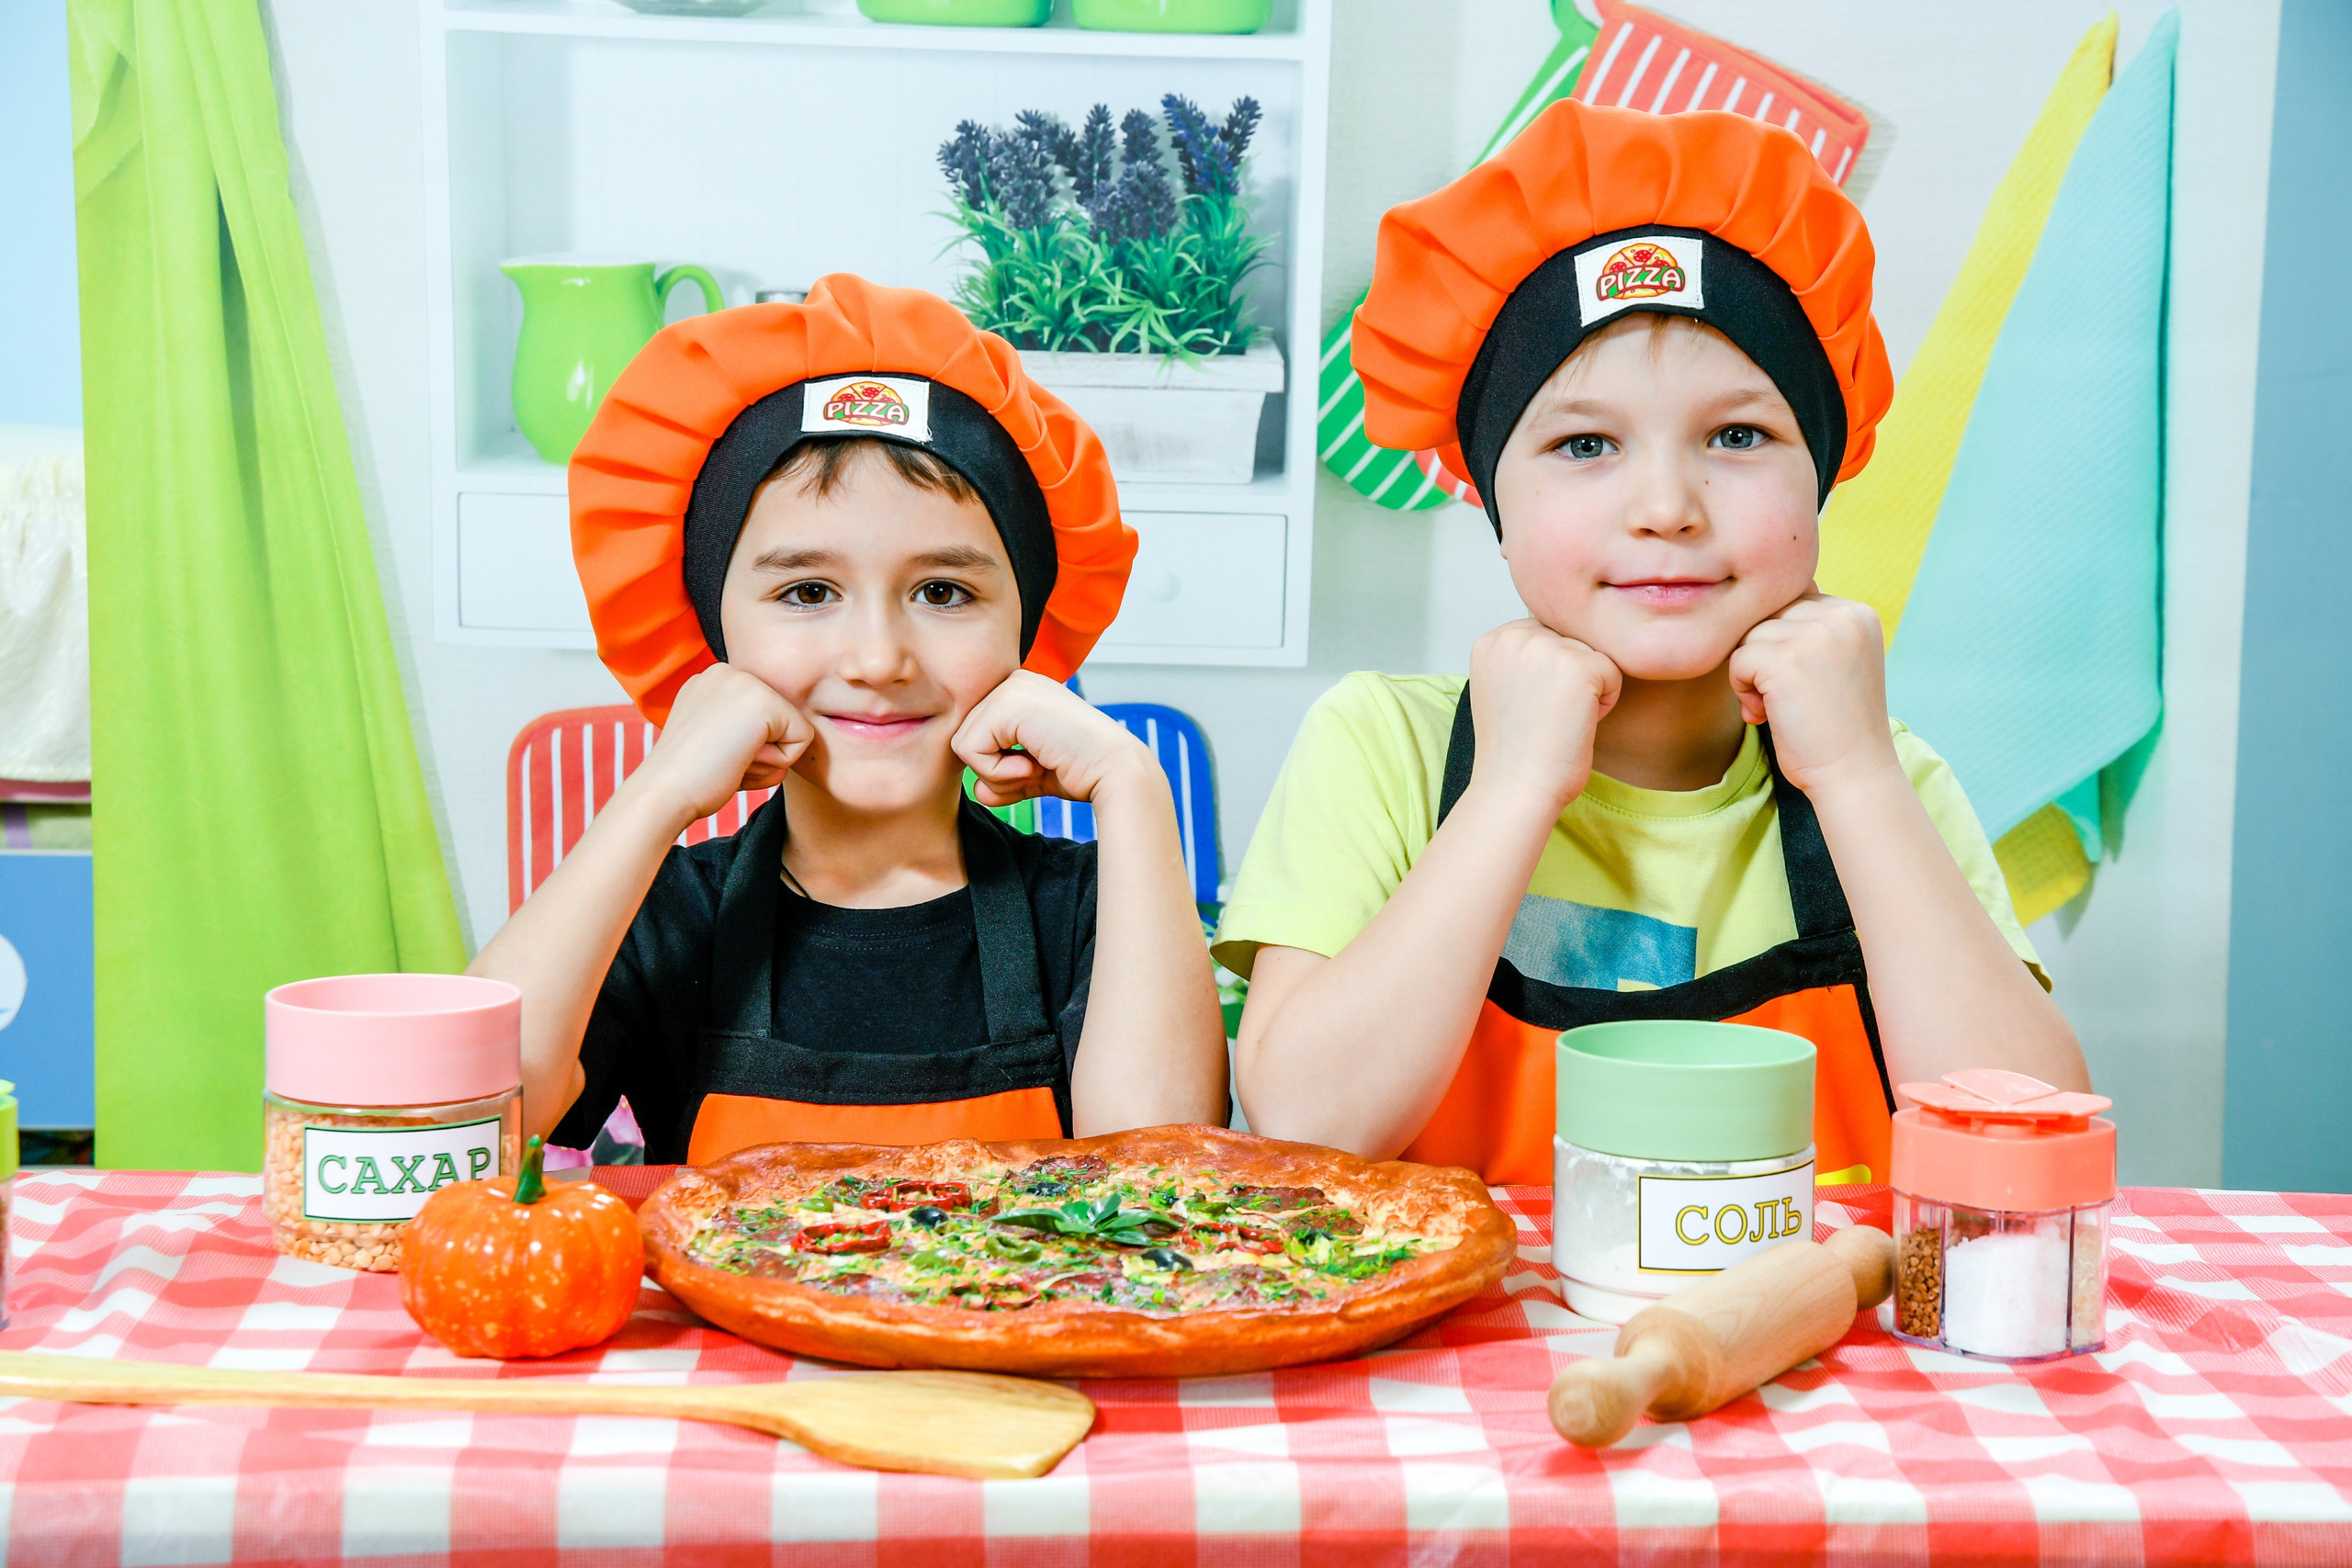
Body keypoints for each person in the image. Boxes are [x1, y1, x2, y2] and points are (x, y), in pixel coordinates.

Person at [1215, 101, 2086, 1187]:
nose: (1667, 506)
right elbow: (1302, 1128)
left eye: (1738, 436)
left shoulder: (1887, 772)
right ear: (1493, 499)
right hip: (1466, 1345)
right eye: (1585, 444)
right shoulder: (1382, 746)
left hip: (1815, 1341)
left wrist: (1856, 780)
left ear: (1822, 476)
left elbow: (2029, 1149)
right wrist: (1513, 788)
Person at [473, 276, 1228, 1164]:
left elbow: (1163, 1170)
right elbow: (470, 1113)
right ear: (714, 634)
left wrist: (1133, 786)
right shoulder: (668, 913)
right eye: (808, 591)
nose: (878, 658)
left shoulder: (1092, 908)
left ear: (1026, 634)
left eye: (943, 591)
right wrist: (658, 791)